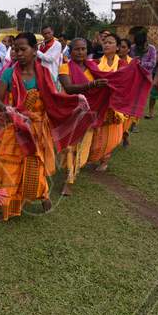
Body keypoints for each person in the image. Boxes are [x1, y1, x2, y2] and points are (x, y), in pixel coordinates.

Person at [0, 32, 56, 220]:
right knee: (6, 166)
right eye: (15, 49)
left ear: (35, 50)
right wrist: (9, 110)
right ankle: (7, 208)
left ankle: (43, 195)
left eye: (23, 49)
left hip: (36, 129)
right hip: (15, 127)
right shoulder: (9, 73)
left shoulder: (44, 74)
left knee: (33, 167)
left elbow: (53, 101)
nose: (18, 53)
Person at [58, 38, 108, 196]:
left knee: (82, 147)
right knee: (69, 146)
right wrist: (91, 85)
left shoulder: (93, 67)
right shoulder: (64, 67)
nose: (81, 52)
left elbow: (106, 84)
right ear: (70, 51)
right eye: (77, 49)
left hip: (89, 113)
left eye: (83, 49)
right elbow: (69, 88)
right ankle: (69, 173)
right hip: (71, 112)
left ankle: (69, 180)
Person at [88, 33, 125, 171]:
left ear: (117, 47)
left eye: (110, 42)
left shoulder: (122, 64)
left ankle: (105, 160)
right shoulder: (95, 63)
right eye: (105, 42)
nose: (106, 45)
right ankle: (95, 156)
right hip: (98, 103)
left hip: (114, 104)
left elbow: (123, 83)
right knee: (97, 132)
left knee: (110, 134)